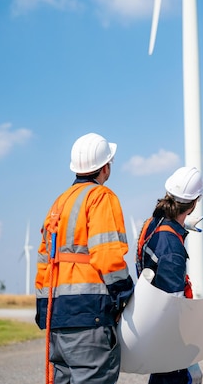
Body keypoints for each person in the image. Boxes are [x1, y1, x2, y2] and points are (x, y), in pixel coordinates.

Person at [35, 132, 134, 384]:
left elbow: (44, 263)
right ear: (105, 167)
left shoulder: (58, 203)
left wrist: (44, 307)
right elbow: (107, 255)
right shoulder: (101, 197)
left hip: (57, 319)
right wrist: (126, 294)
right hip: (89, 316)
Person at [135, 166, 203, 384]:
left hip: (151, 320)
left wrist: (183, 225)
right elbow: (175, 305)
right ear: (194, 204)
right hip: (166, 332)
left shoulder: (153, 222)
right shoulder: (172, 246)